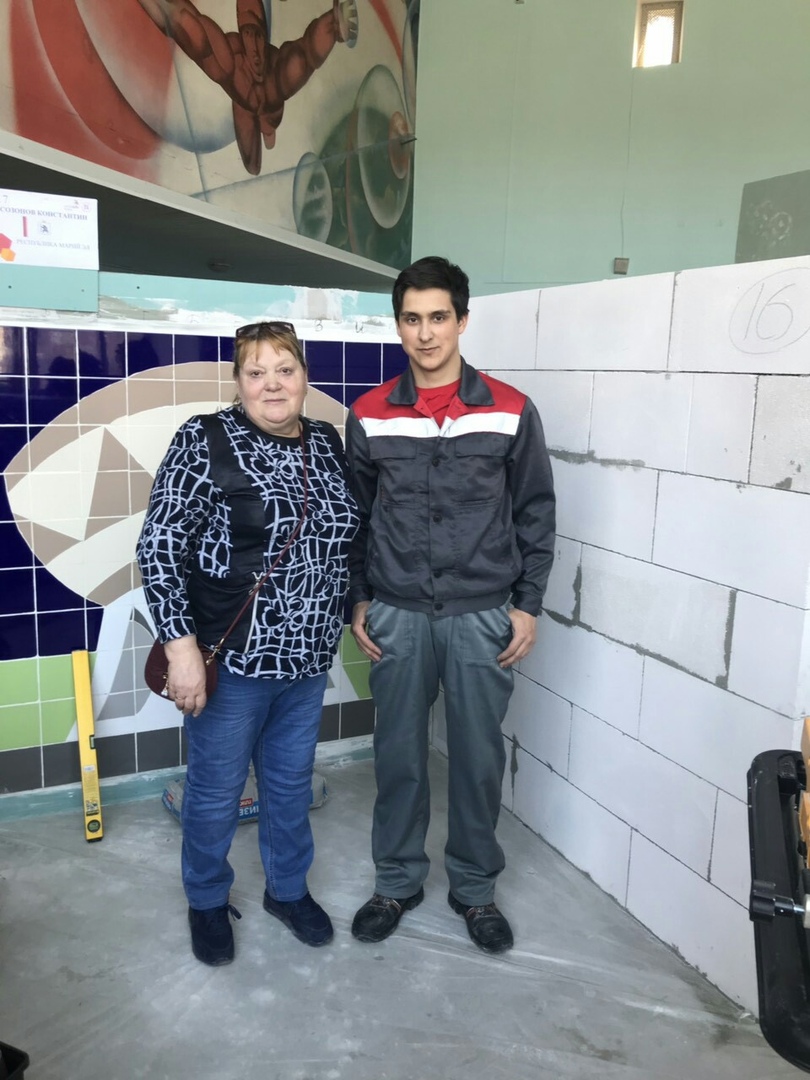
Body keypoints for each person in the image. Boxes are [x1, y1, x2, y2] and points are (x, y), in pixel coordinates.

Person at [346, 256, 556, 953]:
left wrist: (527, 605)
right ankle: (396, 882)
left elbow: (535, 513)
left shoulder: (510, 409)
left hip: (482, 615)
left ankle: (474, 889)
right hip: (398, 614)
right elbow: (356, 520)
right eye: (412, 319)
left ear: (463, 321)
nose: (426, 333)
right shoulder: (370, 413)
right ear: (398, 325)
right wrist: (360, 601)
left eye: (439, 317)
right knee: (398, 757)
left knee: (476, 761)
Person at [136, 321, 359, 965]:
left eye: (285, 369)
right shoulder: (205, 439)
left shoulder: (326, 442)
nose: (272, 384)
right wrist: (180, 649)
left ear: (305, 377)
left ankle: (287, 890)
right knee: (215, 790)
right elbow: (159, 547)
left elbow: (346, 537)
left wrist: (357, 604)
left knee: (289, 784)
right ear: (238, 381)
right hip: (232, 660)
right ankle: (207, 900)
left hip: (308, 659)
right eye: (256, 372)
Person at [137, 0, 359, 174]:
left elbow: (307, 52)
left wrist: (334, 24)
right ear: (242, 38)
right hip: (244, 98)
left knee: (259, 150)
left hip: (268, 103)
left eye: (258, 37)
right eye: (248, 36)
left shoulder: (277, 71)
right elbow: (188, 25)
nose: (255, 50)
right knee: (253, 164)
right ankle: (265, 128)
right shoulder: (230, 60)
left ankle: (268, 128)